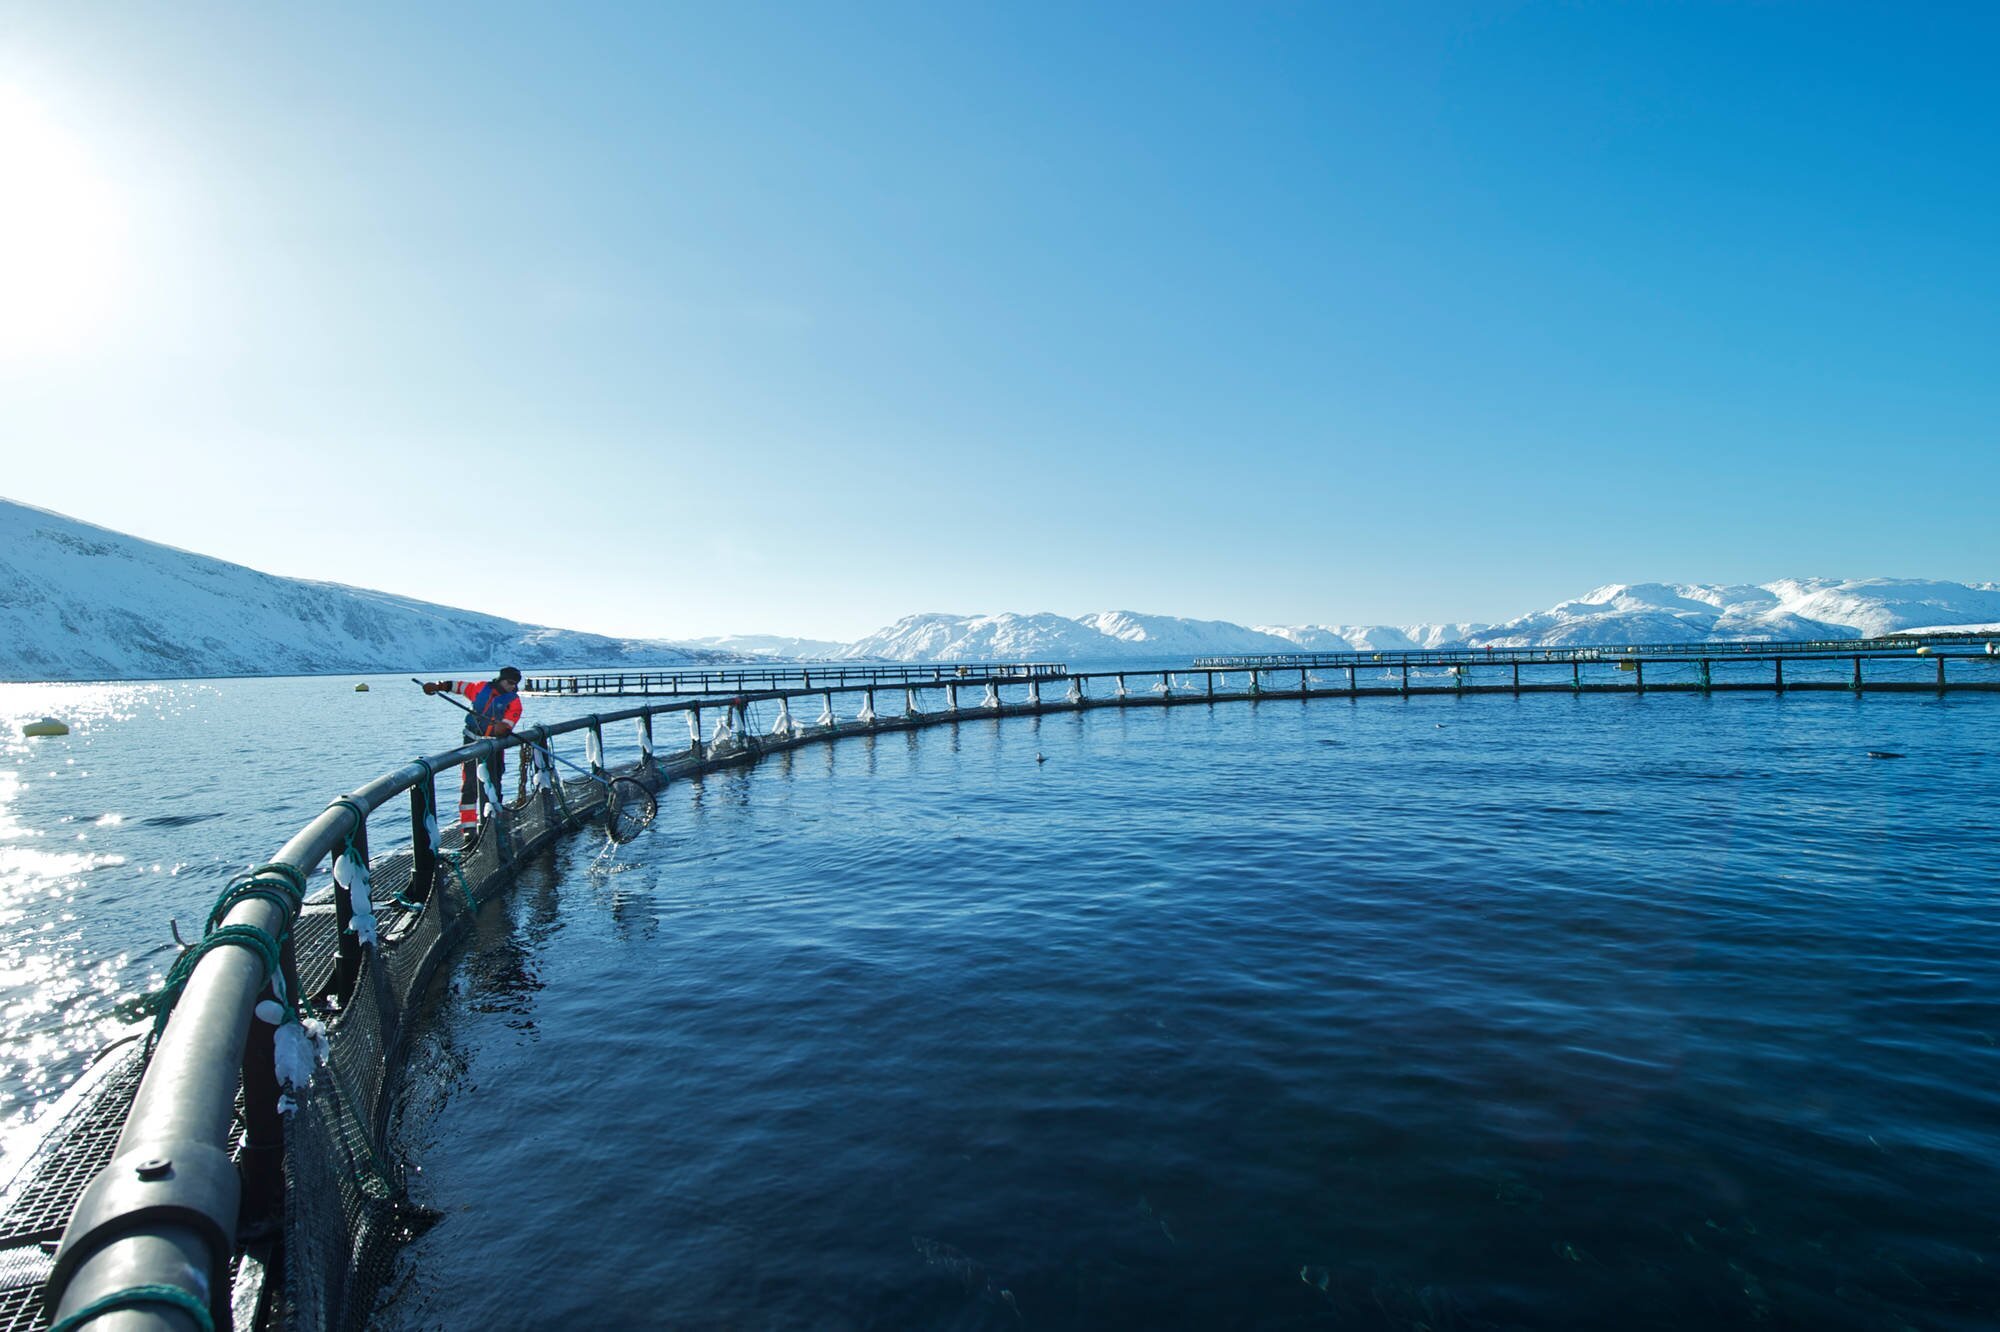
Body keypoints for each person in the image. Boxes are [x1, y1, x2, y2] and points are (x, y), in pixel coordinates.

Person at [420, 667, 524, 840]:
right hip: (470, 742)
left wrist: (502, 728)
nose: (512, 687)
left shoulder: (514, 702)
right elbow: (457, 686)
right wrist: (437, 687)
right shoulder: (480, 687)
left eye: (515, 684)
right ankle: (468, 829)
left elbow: (508, 724)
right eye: (509, 682)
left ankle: (493, 822)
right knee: (469, 784)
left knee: (493, 784)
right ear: (501, 680)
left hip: (493, 747)